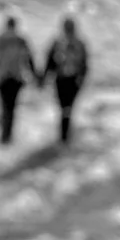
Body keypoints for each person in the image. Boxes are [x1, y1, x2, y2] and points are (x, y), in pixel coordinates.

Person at [0, 14, 38, 145]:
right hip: (16, 78)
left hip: (2, 78)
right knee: (12, 107)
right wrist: (34, 75)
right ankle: (8, 136)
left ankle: (4, 136)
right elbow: (28, 59)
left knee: (4, 107)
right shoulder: (21, 40)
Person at [42, 17, 90, 145]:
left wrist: (45, 77)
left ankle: (64, 135)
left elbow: (49, 62)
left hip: (62, 79)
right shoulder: (79, 43)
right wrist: (82, 79)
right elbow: (85, 64)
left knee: (64, 107)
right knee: (67, 107)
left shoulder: (58, 42)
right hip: (72, 80)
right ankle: (65, 135)